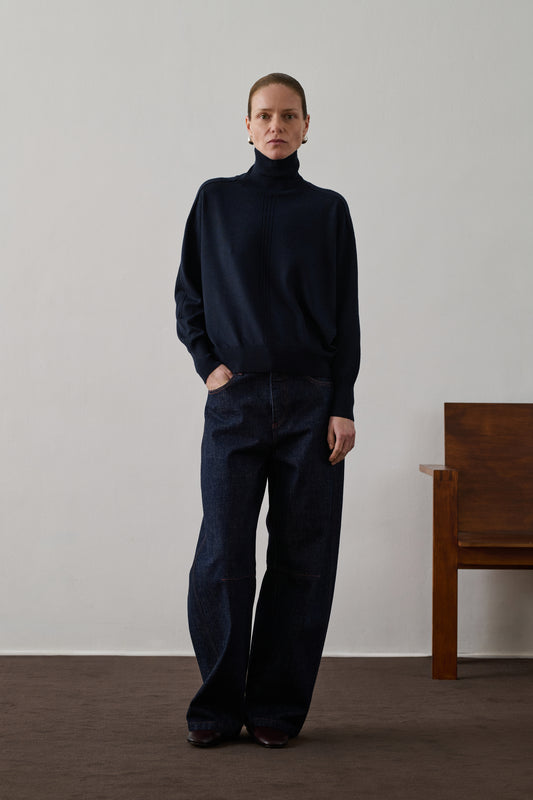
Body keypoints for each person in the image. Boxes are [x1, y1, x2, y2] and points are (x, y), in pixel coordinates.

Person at [174, 73, 360, 748]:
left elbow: (345, 317)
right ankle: (218, 707)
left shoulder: (328, 210)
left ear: (307, 126)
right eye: (264, 115)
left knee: (302, 558)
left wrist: (341, 404)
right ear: (247, 126)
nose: (275, 125)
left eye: (288, 115)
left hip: (312, 404)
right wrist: (209, 366)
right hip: (236, 401)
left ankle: (277, 708)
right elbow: (189, 295)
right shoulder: (215, 200)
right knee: (222, 554)